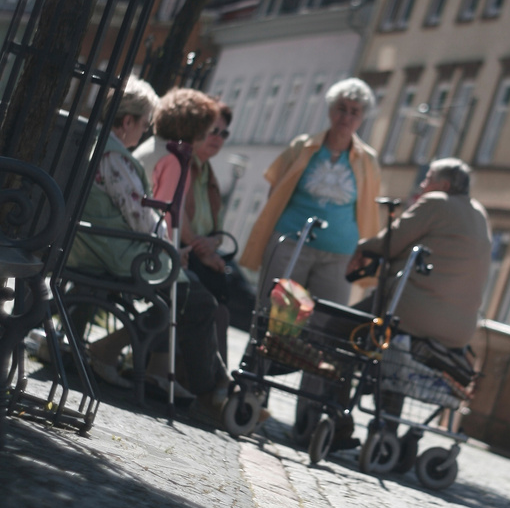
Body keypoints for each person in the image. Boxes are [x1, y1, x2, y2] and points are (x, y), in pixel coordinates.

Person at [68, 77, 231, 422]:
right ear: (127, 121)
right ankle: (211, 391)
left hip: (107, 245)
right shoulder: (114, 156)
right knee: (196, 299)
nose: (144, 132)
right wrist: (172, 249)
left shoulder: (104, 148)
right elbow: (140, 215)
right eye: (143, 124)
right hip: (114, 251)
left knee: (187, 294)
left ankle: (210, 385)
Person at [240, 77, 382, 306]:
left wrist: (364, 252)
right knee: (272, 313)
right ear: (330, 110)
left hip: (339, 254)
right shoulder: (302, 147)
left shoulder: (368, 161)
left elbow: (369, 210)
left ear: (362, 117)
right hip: (290, 243)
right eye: (341, 109)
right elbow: (275, 191)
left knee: (323, 325)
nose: (346, 117)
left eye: (354, 112)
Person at [347, 157, 492, 350]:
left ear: (444, 185)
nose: (422, 185)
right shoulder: (479, 213)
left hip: (413, 313)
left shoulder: (438, 202)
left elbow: (389, 243)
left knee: (333, 326)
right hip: (459, 330)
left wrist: (360, 247)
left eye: (428, 179)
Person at [135, 89, 233, 361]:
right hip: (153, 249)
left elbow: (211, 223)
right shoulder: (175, 160)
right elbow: (166, 213)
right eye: (209, 128)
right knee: (199, 296)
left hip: (155, 245)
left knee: (213, 289)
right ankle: (202, 379)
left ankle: (169, 367)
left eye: (221, 132)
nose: (212, 136)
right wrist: (184, 251)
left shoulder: (167, 153)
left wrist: (208, 244)